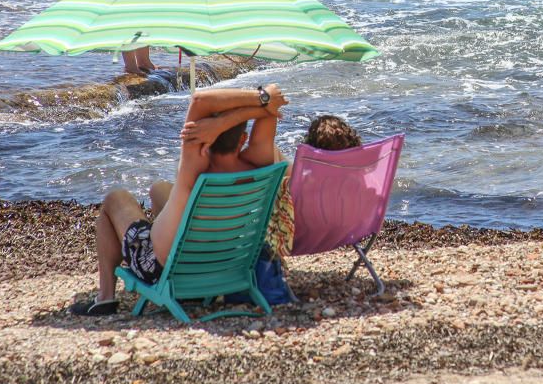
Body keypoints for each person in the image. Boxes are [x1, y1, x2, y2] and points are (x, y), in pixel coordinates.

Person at [70, 84, 288, 316]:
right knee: (160, 189)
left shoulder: (196, 164)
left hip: (166, 267)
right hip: (229, 262)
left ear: (207, 137)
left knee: (115, 198)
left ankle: (105, 297)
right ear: (243, 138)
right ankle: (173, 238)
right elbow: (271, 108)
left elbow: (199, 100)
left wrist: (245, 107)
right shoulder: (258, 163)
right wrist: (250, 107)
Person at [266, 115, 363, 260]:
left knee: (274, 155)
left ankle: (270, 143)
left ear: (311, 151)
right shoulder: (355, 182)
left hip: (301, 236)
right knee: (284, 164)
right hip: (342, 232)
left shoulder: (305, 183)